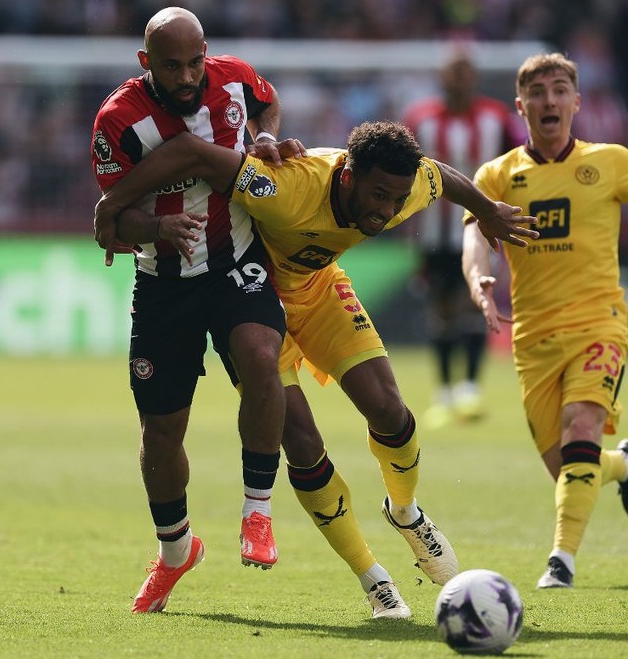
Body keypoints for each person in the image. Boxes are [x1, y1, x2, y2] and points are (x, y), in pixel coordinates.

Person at [94, 120, 538, 619]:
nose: (387, 211)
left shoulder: (404, 184)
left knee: (391, 412)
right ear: (347, 175)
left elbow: (441, 176)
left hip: (321, 291)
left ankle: (406, 512)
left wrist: (488, 211)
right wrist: (112, 205)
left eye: (395, 200)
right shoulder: (287, 186)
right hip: (251, 302)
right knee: (302, 444)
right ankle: (374, 579)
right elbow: (197, 154)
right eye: (378, 196)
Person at [90, 7, 303, 614]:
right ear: (145, 63)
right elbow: (111, 216)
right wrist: (157, 226)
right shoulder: (119, 120)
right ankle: (176, 550)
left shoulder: (233, 76)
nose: (187, 78)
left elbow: (266, 100)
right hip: (163, 285)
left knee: (262, 357)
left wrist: (264, 133)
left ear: (206, 53)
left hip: (237, 259)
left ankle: (257, 512)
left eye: (194, 63)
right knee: (161, 432)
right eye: (171, 66)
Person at [462, 52, 628, 589]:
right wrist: (477, 279)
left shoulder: (610, 162)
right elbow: (473, 235)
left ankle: (561, 561)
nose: (549, 100)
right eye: (537, 92)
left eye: (560, 90)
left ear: (577, 102)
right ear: (521, 106)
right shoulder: (499, 175)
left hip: (599, 322)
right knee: (571, 471)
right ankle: (622, 465)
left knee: (582, 426)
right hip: (532, 339)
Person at [402, 52, 521, 428]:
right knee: (442, 312)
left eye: (465, 72)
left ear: (475, 77)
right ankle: (444, 393)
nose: (459, 79)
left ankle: (470, 388)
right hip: (433, 232)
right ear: (442, 76)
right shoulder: (421, 118)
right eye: (453, 71)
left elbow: (518, 161)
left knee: (475, 303)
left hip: (481, 228)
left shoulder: (496, 117)